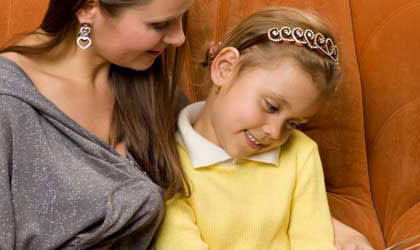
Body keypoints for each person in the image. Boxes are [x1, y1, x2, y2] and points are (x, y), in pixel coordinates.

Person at [0, 0, 193, 249]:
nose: (178, 38)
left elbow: (211, 148)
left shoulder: (144, 84)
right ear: (88, 8)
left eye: (182, 19)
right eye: (160, 25)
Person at [154, 7, 374, 250]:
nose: (275, 132)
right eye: (271, 106)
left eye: (293, 123)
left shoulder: (301, 153)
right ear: (225, 68)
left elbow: (313, 241)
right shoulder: (167, 160)